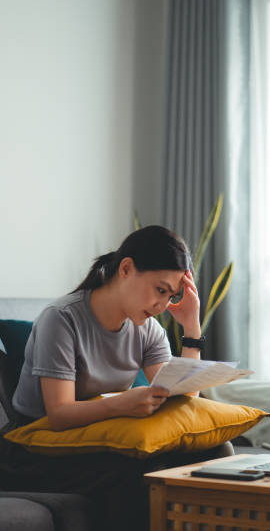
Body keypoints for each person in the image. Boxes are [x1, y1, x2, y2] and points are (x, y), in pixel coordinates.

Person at [0, 226, 233, 530]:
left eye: (172, 295)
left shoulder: (148, 330)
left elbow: (185, 397)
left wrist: (192, 326)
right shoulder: (62, 319)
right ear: (126, 268)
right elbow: (58, 415)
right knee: (142, 471)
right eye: (160, 290)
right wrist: (123, 404)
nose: (163, 305)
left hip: (96, 443)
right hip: (33, 452)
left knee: (216, 452)